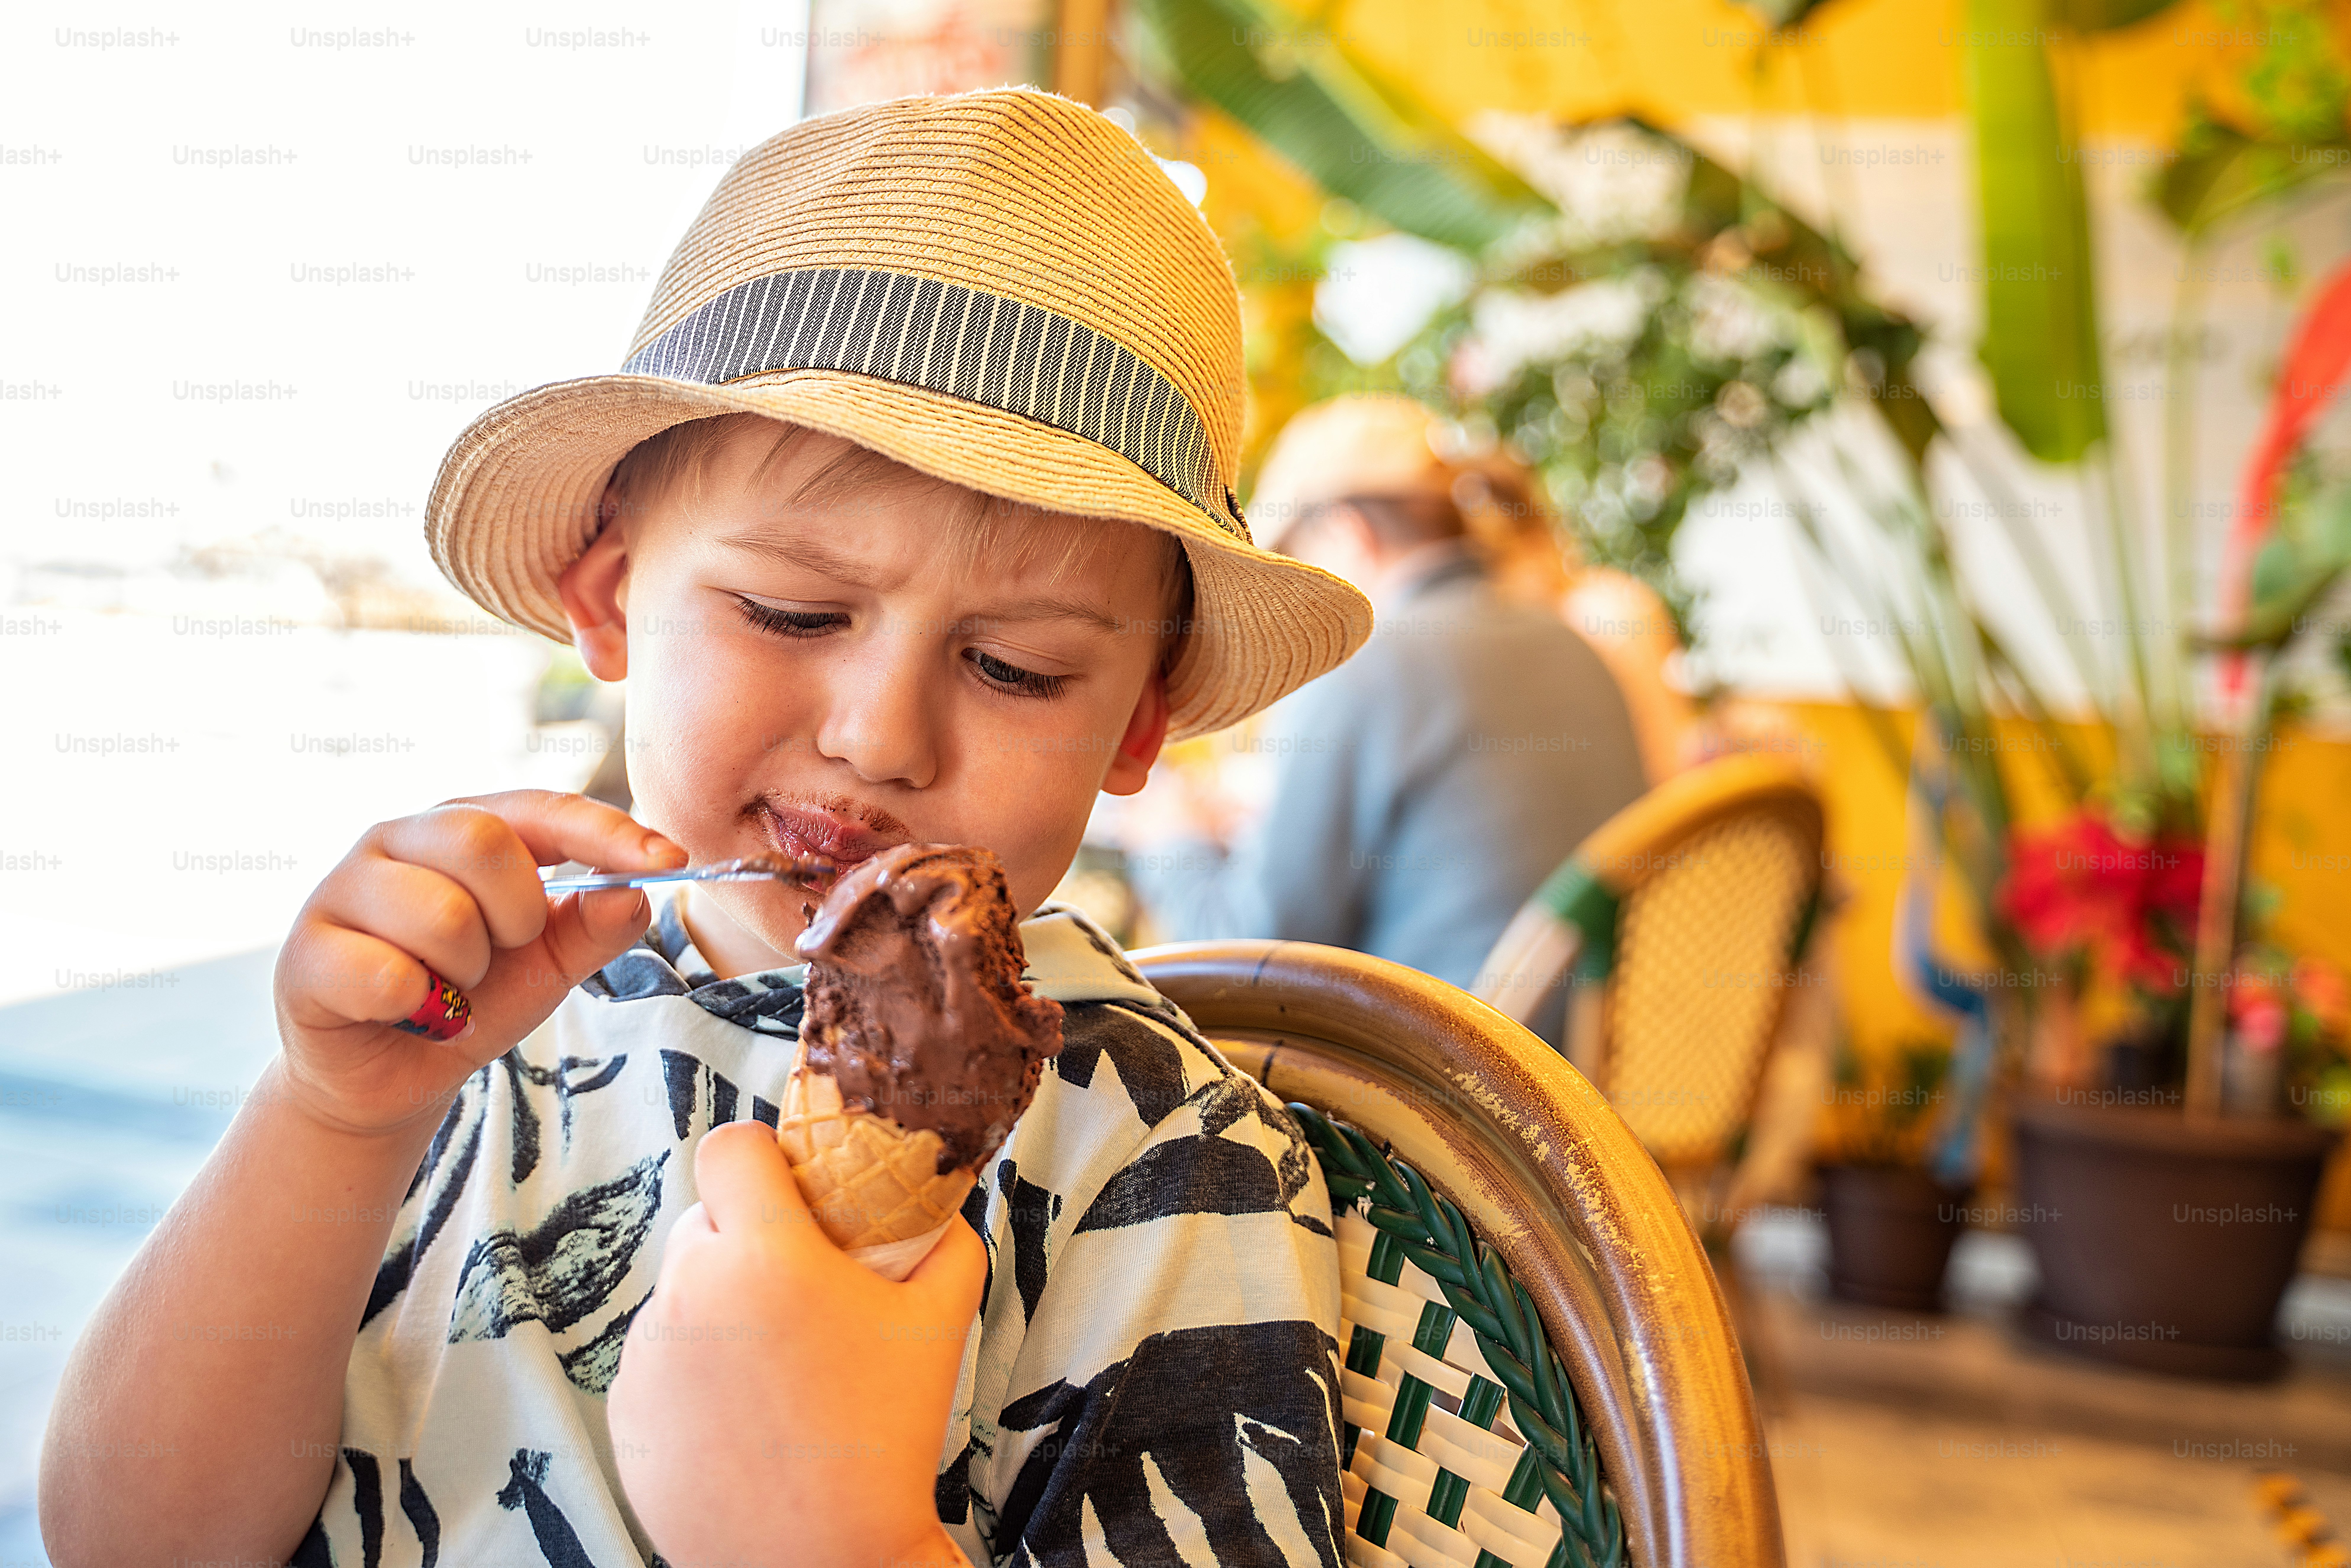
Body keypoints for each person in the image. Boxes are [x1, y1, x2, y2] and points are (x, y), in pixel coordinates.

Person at [40, 90, 1372, 1568]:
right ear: (612, 600)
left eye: (1016, 666)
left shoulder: (1170, 1160)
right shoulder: (479, 1022)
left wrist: (842, 1536)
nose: (880, 733)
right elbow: (130, 1535)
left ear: (1138, 724)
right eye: (792, 611)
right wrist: (332, 1116)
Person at [1120, 394, 1647, 1050]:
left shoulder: (1363, 665)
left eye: (1293, 562)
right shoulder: (1573, 646)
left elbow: (1248, 965)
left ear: (1346, 535)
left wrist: (1170, 840)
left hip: (1445, 1111)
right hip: (1587, 1092)